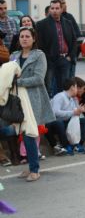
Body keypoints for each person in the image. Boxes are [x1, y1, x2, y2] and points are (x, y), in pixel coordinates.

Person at [9, 26, 55, 180]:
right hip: (16, 100)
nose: (24, 39)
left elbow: (38, 78)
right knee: (23, 133)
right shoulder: (14, 56)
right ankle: (30, 167)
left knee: (29, 134)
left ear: (34, 39)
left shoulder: (39, 55)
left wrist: (17, 82)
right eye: (22, 36)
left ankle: (35, 170)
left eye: (27, 36)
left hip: (33, 99)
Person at [36, 0, 77, 96]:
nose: (54, 10)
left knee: (64, 87)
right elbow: (39, 44)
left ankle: (61, 108)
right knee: (48, 86)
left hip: (64, 59)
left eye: (57, 8)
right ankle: (48, 108)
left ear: (61, 9)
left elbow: (74, 41)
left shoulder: (68, 23)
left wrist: (70, 56)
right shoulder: (41, 24)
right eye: (52, 8)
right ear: (49, 9)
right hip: (49, 60)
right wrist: (46, 58)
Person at [47, 78, 85, 155]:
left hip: (65, 121)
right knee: (59, 123)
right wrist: (73, 112)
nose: (77, 90)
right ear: (72, 87)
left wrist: (79, 111)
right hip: (52, 123)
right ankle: (66, 146)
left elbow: (74, 114)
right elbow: (55, 112)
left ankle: (77, 145)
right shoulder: (60, 96)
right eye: (76, 87)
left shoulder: (72, 99)